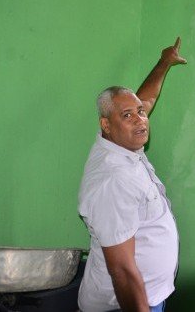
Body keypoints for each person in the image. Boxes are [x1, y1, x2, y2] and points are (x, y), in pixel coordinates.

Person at [78, 38, 187, 312]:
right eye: (128, 115)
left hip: (150, 296)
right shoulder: (113, 179)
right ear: (106, 125)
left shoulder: (118, 141)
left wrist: (164, 62)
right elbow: (123, 271)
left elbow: (145, 99)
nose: (140, 119)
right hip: (124, 305)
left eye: (140, 113)